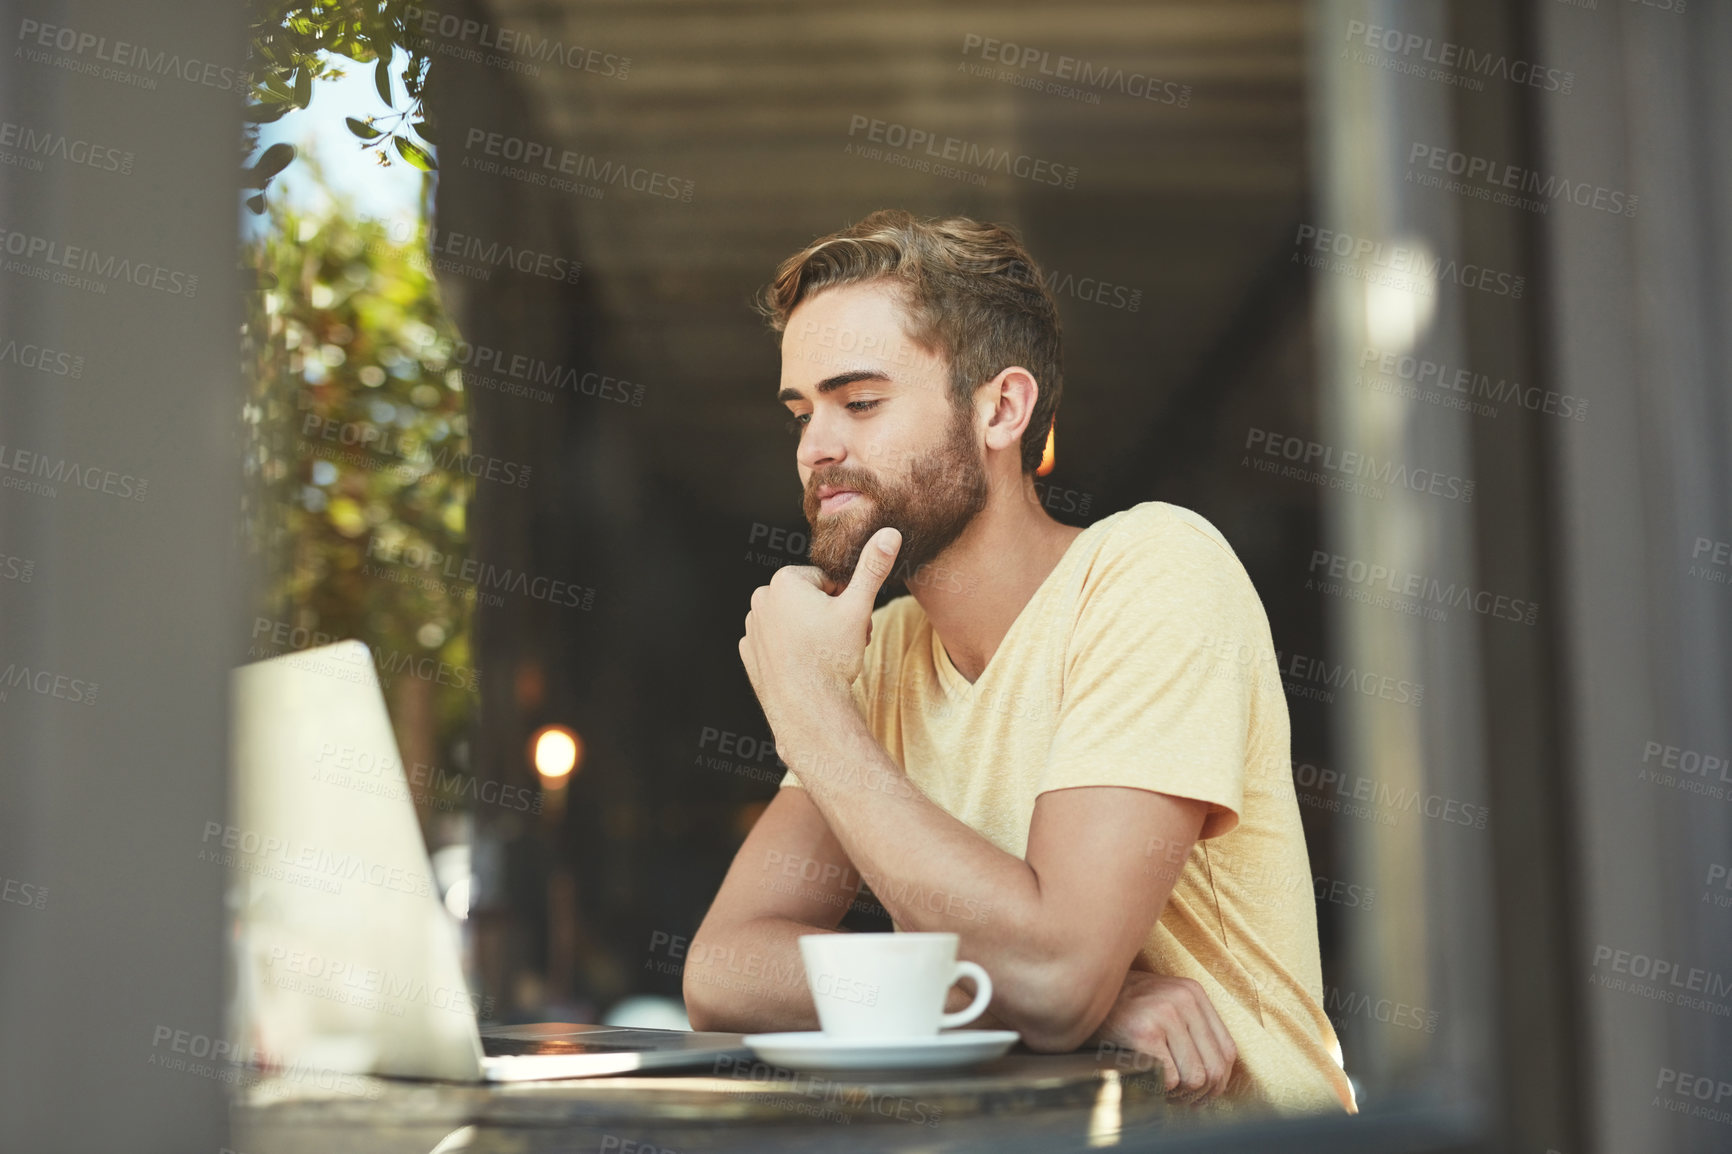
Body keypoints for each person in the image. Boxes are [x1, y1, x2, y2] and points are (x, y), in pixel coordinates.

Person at [684, 209, 1355, 1116]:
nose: (815, 447)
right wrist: (1046, 989)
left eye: (861, 402)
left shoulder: (1153, 571)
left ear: (1003, 408)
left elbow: (1050, 980)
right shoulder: (880, 656)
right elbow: (722, 969)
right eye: (803, 411)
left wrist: (809, 710)